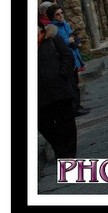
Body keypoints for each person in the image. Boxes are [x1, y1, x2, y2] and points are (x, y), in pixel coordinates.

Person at [38, 23, 78, 159]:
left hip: (60, 90)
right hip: (39, 95)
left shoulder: (53, 40)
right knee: (43, 124)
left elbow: (67, 56)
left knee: (66, 122)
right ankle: (59, 147)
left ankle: (68, 153)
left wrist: (63, 74)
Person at [46, 4, 89, 116]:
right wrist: (67, 41)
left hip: (73, 56)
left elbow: (72, 36)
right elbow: (56, 45)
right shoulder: (52, 29)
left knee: (76, 83)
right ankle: (74, 108)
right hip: (66, 60)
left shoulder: (65, 24)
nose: (61, 16)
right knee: (71, 85)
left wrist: (75, 39)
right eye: (57, 14)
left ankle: (78, 105)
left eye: (61, 13)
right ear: (53, 17)